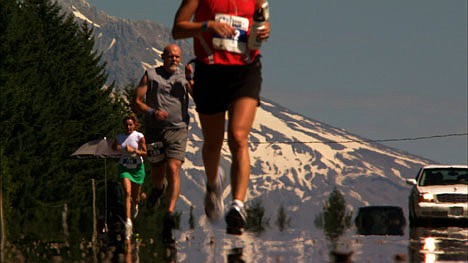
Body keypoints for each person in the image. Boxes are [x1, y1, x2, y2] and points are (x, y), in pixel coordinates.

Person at [172, 0, 270, 235]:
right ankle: (213, 184)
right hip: (210, 70)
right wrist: (207, 25)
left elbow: (261, 24)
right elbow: (177, 29)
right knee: (213, 142)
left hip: (245, 70)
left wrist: (264, 30)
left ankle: (237, 206)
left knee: (238, 137)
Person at [131, 44, 192, 244]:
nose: (174, 59)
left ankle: (169, 214)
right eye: (170, 56)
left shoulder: (184, 78)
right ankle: (158, 189)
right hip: (155, 130)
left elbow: (200, 98)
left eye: (177, 57)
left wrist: (191, 79)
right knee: (157, 170)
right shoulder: (150, 75)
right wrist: (152, 112)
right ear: (162, 56)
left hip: (178, 129)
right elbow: (136, 101)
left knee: (173, 167)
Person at [112, 113, 147, 240]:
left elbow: (145, 152)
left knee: (135, 196)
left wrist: (134, 151)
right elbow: (114, 148)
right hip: (125, 168)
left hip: (137, 169)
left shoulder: (139, 136)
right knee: (127, 192)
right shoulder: (119, 137)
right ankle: (128, 221)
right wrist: (117, 148)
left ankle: (136, 204)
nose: (128, 127)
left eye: (130, 125)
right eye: (126, 125)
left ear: (134, 125)